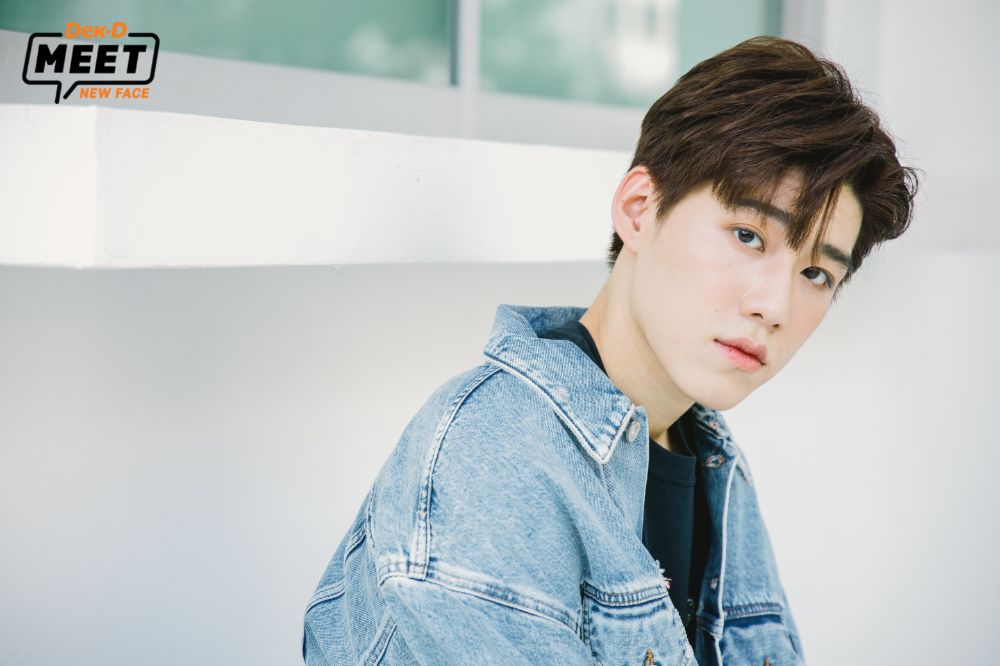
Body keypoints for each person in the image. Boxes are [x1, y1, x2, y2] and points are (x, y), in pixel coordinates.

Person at [302, 35, 918, 665]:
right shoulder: (494, 455)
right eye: (747, 236)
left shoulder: (711, 458)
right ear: (639, 209)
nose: (775, 306)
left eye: (816, 273)